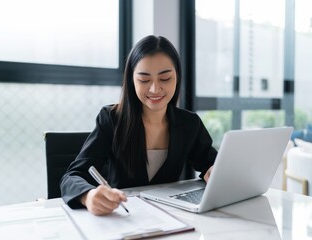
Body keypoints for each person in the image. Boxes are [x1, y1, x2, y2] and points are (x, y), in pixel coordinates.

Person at [60, 35, 217, 216]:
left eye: (165, 78)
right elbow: (71, 177)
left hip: (173, 217)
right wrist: (88, 196)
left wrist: (213, 171)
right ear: (131, 80)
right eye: (144, 80)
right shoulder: (111, 119)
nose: (154, 89)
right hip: (124, 217)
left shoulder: (189, 123)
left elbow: (212, 164)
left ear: (177, 77)